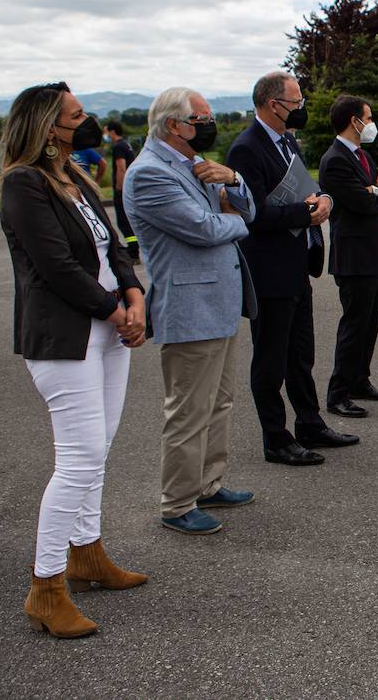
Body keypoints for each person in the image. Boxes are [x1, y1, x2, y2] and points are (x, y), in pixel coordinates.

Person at [0, 82, 148, 639]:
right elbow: (57, 266)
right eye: (76, 115)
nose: (86, 122)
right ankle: (46, 587)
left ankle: (87, 555)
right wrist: (116, 310)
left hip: (109, 328)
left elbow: (113, 246)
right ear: (45, 125)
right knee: (79, 458)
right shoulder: (23, 184)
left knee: (99, 449)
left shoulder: (76, 176)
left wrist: (132, 297)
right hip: (66, 337)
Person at [124, 88, 258, 536]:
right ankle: (177, 502)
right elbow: (203, 229)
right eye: (199, 118)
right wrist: (235, 222)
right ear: (172, 126)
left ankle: (208, 482)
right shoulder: (148, 174)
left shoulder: (199, 166)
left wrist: (235, 182)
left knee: (219, 402)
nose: (208, 124)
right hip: (189, 305)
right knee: (188, 410)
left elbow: (246, 209)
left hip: (220, 301)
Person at [226, 71, 357, 465]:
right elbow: (255, 213)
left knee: (301, 353)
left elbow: (305, 187)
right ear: (273, 104)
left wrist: (324, 200)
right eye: (296, 101)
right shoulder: (246, 149)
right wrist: (304, 212)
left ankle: (310, 423)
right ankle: (276, 437)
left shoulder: (287, 142)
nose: (301, 108)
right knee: (271, 358)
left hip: (296, 264)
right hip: (269, 269)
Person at [320, 95, 378, 415]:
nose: (371, 124)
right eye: (368, 117)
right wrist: (377, 192)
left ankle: (359, 379)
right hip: (353, 255)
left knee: (370, 321)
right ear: (355, 121)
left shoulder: (362, 156)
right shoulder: (335, 159)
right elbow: (362, 202)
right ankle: (338, 393)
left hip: (373, 250)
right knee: (354, 324)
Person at [104, 120, 139, 260]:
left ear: (112, 131)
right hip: (131, 187)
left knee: (123, 222)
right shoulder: (126, 144)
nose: (105, 134)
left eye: (106, 131)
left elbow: (121, 167)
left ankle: (133, 252)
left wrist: (119, 188)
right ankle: (134, 249)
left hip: (123, 189)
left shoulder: (118, 147)